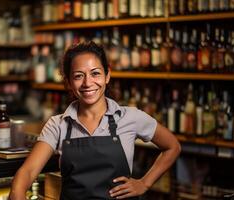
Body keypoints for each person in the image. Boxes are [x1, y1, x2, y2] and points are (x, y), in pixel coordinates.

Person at [9, 41, 181, 200]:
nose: (87, 83)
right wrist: (17, 193)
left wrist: (145, 183)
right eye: (78, 76)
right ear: (68, 82)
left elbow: (172, 146)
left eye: (95, 73)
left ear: (107, 76)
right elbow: (28, 172)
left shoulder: (130, 117)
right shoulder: (58, 124)